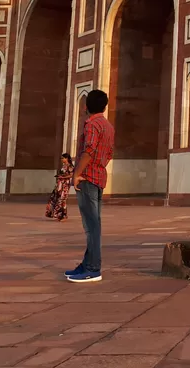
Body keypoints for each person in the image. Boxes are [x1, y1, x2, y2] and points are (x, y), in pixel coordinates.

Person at [67, 89, 116, 282]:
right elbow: (109, 153)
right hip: (99, 176)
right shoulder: (108, 126)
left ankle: (93, 268)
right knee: (94, 224)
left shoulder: (91, 125)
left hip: (87, 178)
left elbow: (89, 149)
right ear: (105, 106)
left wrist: (77, 173)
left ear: (86, 106)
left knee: (91, 226)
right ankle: (87, 264)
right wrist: (99, 166)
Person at [45, 153, 74, 222]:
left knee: (62, 199)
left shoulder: (70, 166)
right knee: (56, 198)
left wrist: (63, 177)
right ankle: (59, 215)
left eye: (63, 158)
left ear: (67, 158)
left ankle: (63, 215)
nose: (61, 159)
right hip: (59, 184)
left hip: (65, 185)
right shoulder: (63, 166)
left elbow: (71, 175)